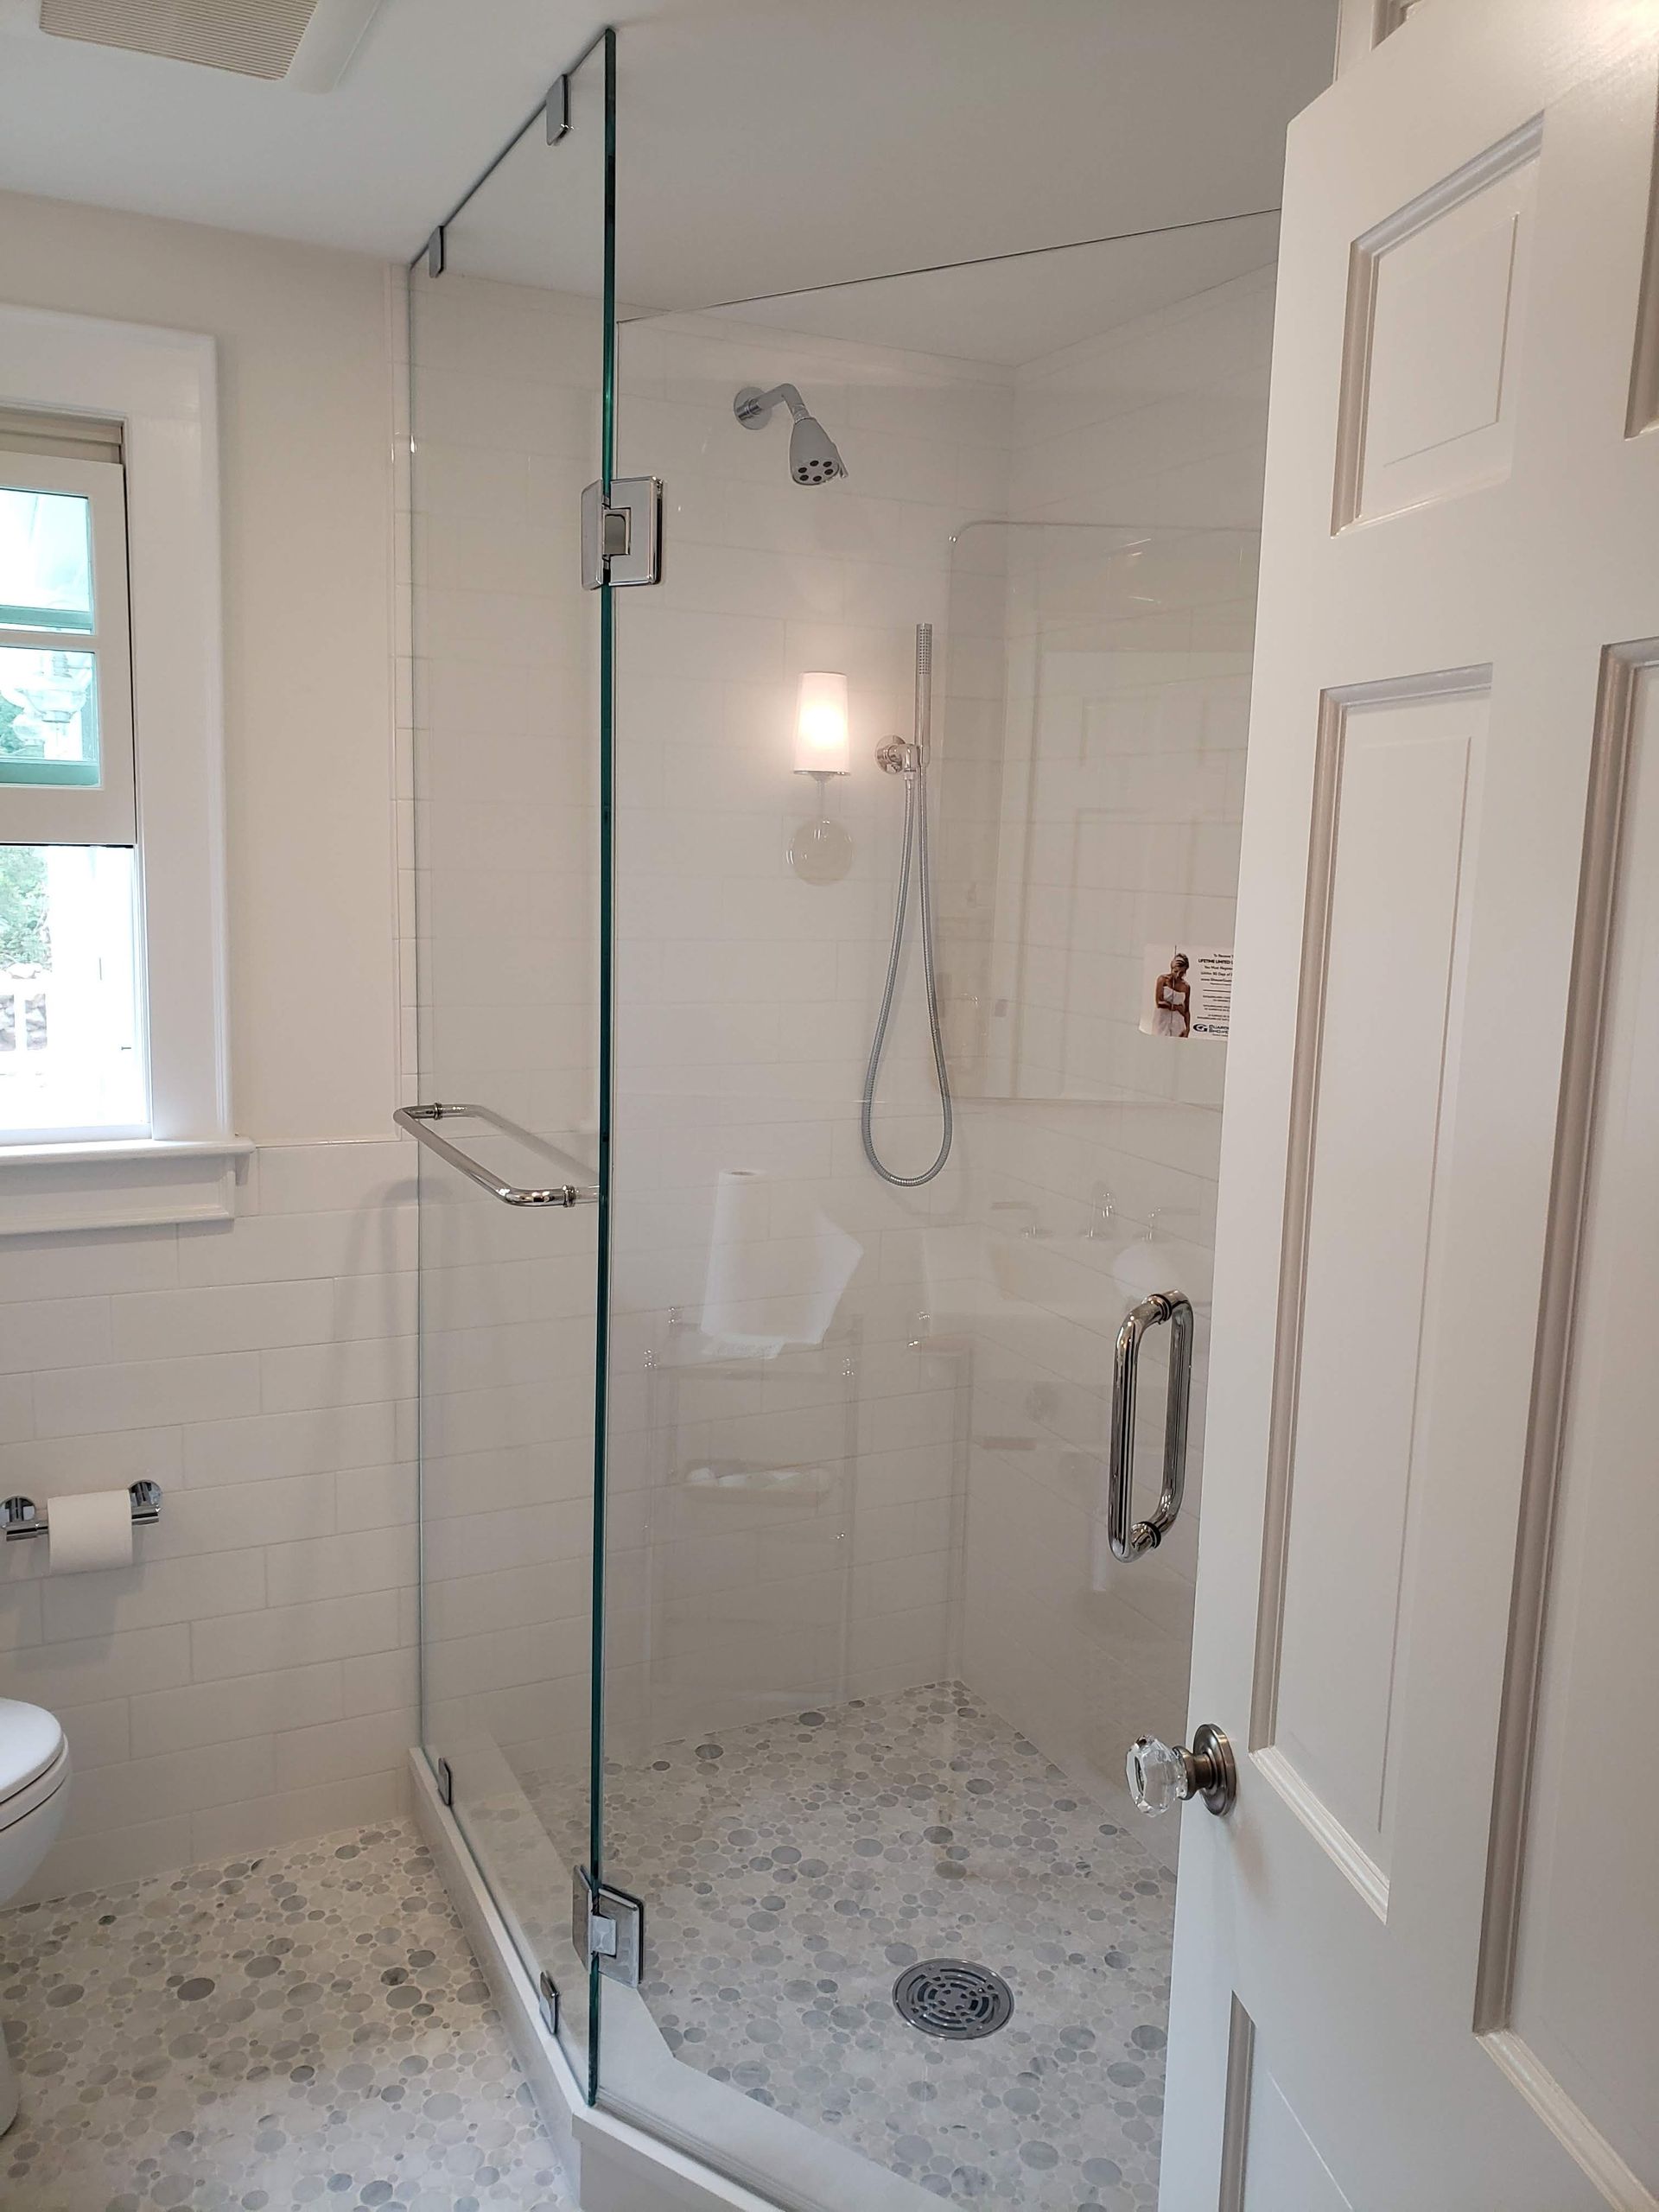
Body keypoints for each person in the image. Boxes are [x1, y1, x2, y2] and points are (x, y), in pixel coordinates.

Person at [1153, 951, 1191, 1039]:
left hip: (1178, 1022)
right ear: (1171, 968)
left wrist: (1188, 1029)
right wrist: (1177, 1007)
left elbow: (1187, 1010)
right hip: (1162, 1020)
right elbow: (1159, 1002)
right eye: (1176, 971)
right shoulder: (1162, 979)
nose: (1178, 975)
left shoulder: (1186, 986)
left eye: (1182, 973)